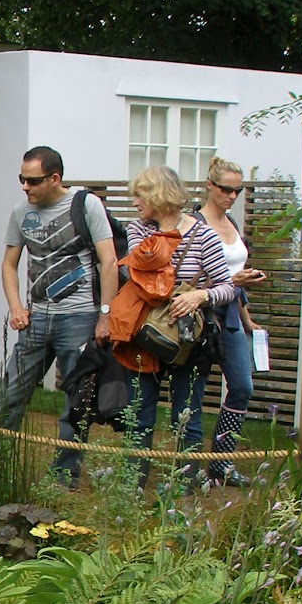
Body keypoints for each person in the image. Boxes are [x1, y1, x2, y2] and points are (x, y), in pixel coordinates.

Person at [0, 146, 119, 486]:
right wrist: (16, 307)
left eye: (32, 180)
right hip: (36, 320)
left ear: (54, 178)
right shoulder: (21, 213)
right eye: (21, 179)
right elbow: (9, 264)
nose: (25, 187)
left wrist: (104, 316)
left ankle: (64, 475)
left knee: (75, 402)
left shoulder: (86, 205)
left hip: (78, 318)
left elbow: (108, 262)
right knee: (10, 394)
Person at [114, 165, 238, 473]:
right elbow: (142, 272)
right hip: (147, 335)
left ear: (158, 194)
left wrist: (199, 296)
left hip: (187, 340)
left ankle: (186, 489)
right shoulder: (139, 230)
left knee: (186, 417)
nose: (135, 203)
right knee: (139, 414)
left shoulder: (204, 235)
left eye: (139, 195)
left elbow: (229, 286)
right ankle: (132, 485)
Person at [179, 156, 264, 484]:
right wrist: (230, 284)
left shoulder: (233, 226)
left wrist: (247, 319)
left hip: (230, 314)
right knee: (193, 394)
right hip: (199, 316)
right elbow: (188, 277)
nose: (231, 196)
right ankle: (189, 469)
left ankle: (221, 463)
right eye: (226, 189)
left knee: (242, 386)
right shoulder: (193, 224)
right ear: (209, 186)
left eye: (238, 191)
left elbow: (234, 280)